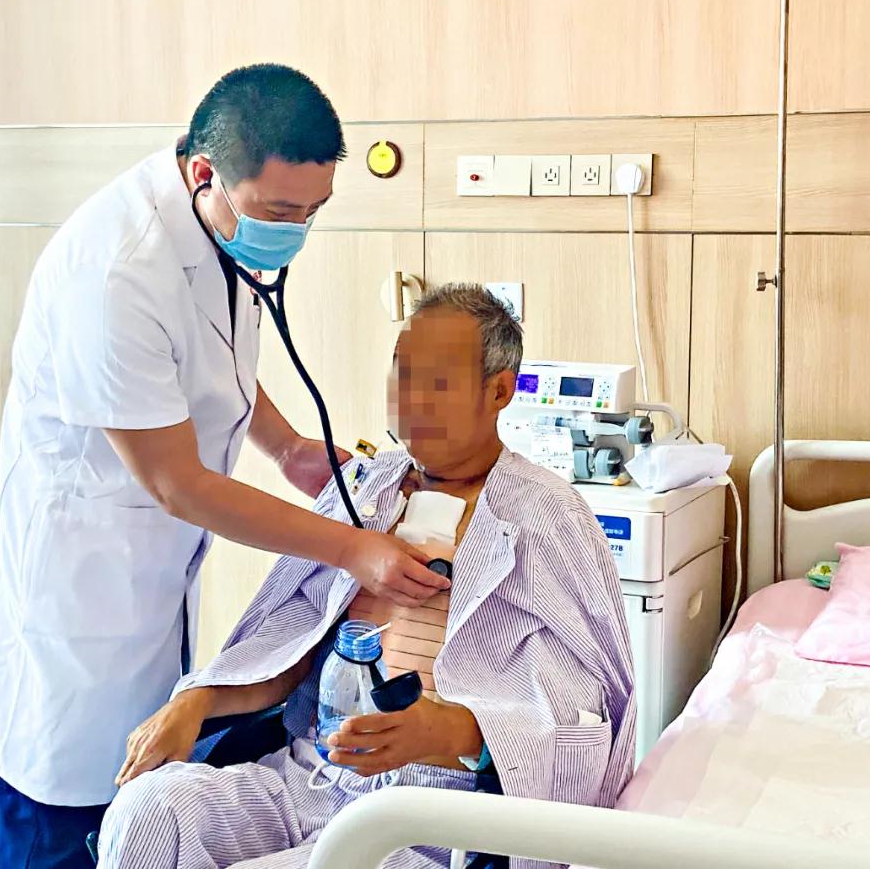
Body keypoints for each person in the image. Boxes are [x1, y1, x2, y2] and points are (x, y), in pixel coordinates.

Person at [0, 64, 449, 869]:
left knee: (144, 794)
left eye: (315, 210)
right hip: (77, 590)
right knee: (63, 811)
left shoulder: (218, 227)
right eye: (281, 212)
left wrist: (287, 447)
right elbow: (175, 482)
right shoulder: (115, 270)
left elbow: (210, 359)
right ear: (203, 173)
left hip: (150, 581)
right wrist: (353, 548)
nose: (297, 230)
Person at [98, 284, 636, 869]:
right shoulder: (365, 489)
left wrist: (450, 731)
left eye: (438, 381)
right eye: (404, 373)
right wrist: (198, 700)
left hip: (431, 813)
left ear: (499, 391)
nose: (412, 398)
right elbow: (292, 644)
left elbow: (586, 713)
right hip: (311, 775)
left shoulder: (547, 516)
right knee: (148, 810)